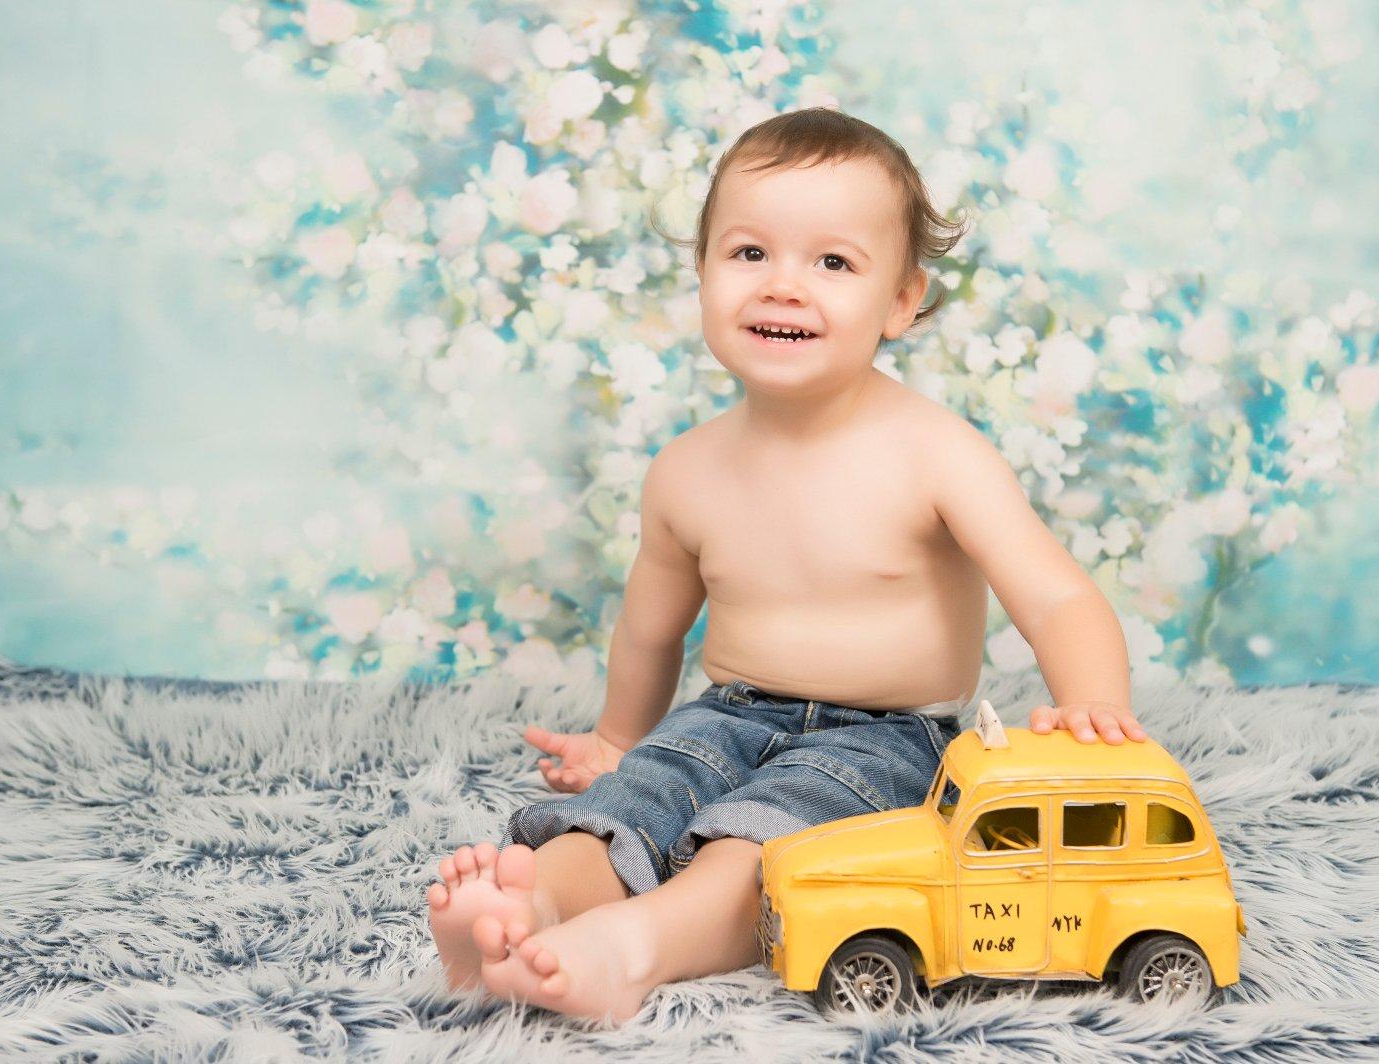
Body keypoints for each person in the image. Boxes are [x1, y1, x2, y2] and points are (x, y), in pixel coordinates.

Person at [425, 106, 1146, 1024]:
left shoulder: (937, 455)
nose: (783, 287)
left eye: (833, 263)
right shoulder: (686, 470)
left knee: (768, 844)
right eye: (749, 253)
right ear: (703, 271)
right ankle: (532, 906)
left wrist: (1095, 709)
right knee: (631, 803)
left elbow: (1055, 597)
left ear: (902, 301)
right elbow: (649, 629)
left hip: (888, 738)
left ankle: (632, 948)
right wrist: (616, 737)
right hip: (727, 713)